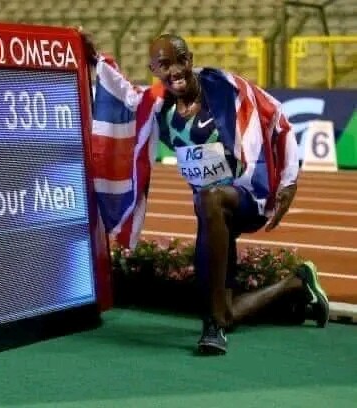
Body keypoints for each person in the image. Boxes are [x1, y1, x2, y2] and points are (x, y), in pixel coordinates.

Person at [83, 32, 330, 355]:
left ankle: (211, 327)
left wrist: (288, 181)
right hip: (213, 214)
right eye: (164, 65)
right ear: (154, 70)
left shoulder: (226, 88)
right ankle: (296, 284)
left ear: (190, 60)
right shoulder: (158, 104)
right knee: (225, 309)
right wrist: (96, 59)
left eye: (180, 61)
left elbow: (278, 117)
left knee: (210, 198)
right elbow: (126, 95)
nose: (175, 71)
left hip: (248, 196)